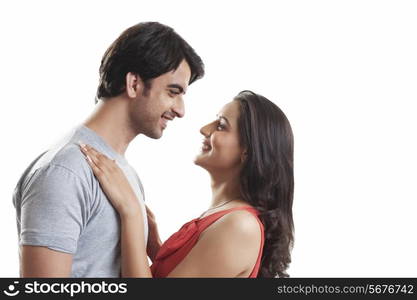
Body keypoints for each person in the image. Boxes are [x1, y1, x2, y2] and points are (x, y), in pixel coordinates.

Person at [12, 22, 204, 277]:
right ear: (134, 83)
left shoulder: (124, 175)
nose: (181, 110)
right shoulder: (66, 171)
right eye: (173, 92)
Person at [79, 90, 294, 278]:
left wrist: (131, 212)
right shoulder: (227, 217)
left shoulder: (240, 226)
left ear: (247, 152)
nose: (204, 129)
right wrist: (156, 248)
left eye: (221, 126)